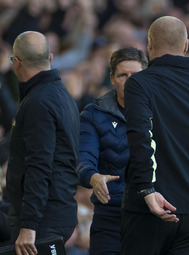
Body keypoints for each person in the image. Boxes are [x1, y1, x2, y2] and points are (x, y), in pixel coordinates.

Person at [121, 16, 189, 255]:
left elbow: (141, 136)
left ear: (149, 43)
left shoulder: (139, 84)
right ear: (186, 46)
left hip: (153, 208)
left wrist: (146, 188)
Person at [6, 31, 79, 255]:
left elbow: (39, 165)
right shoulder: (63, 95)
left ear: (16, 62)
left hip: (42, 220)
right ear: (50, 58)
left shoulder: (38, 102)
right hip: (57, 211)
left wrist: (29, 225)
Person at [77, 47, 147, 255]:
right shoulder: (93, 114)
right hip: (109, 216)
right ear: (112, 78)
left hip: (150, 217)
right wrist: (93, 176)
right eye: (123, 75)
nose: (129, 80)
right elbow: (83, 157)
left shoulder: (161, 112)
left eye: (136, 75)